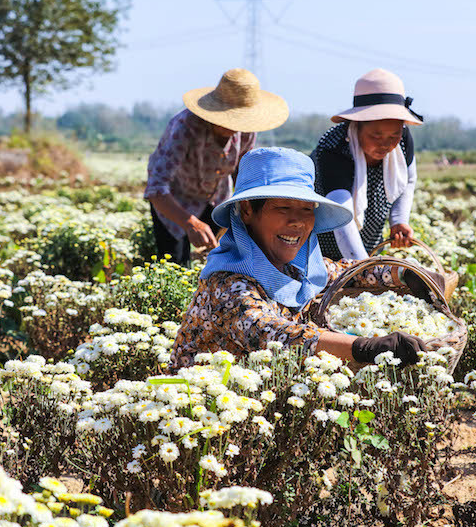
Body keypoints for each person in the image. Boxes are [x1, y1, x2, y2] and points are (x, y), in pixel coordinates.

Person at [170, 147, 432, 370]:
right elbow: (275, 335)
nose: (297, 222)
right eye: (283, 207)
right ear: (247, 211)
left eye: (307, 209)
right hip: (203, 405)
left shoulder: (292, 267)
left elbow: (342, 271)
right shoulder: (227, 282)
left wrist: (404, 272)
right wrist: (365, 347)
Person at [145, 68, 288, 266]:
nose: (235, 126)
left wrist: (249, 213)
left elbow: (242, 173)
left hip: (216, 199)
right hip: (173, 200)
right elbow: (156, 189)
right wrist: (190, 223)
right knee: (174, 264)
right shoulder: (185, 127)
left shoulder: (246, 131)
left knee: (224, 259)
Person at [311, 69, 422, 261]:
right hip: (324, 245)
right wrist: (363, 268)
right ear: (357, 125)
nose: (386, 144)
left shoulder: (403, 139)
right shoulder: (335, 147)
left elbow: (408, 180)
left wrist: (398, 220)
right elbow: (340, 214)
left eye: (393, 136)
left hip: (369, 240)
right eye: (376, 136)